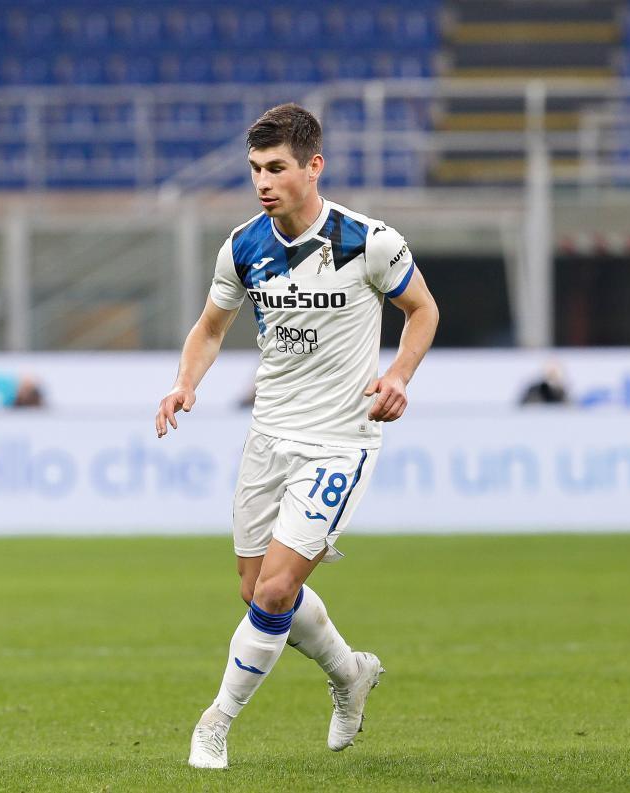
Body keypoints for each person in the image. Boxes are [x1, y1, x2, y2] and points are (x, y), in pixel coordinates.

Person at [154, 103, 439, 769]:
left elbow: (422, 309)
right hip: (269, 436)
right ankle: (350, 672)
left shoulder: (368, 241)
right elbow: (210, 328)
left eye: (276, 167)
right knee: (255, 591)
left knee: (276, 591)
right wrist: (185, 382)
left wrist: (398, 375)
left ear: (314, 166)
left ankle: (215, 724)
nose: (263, 181)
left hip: (341, 440)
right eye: (255, 168)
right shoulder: (243, 246)